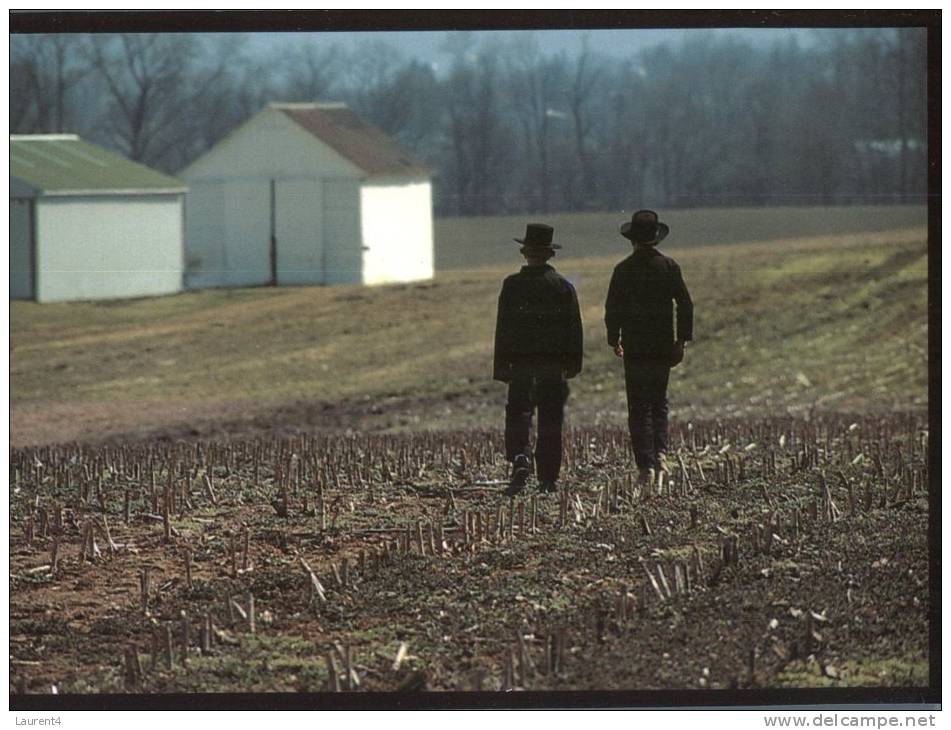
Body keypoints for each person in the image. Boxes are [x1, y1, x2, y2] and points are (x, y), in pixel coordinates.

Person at [604, 210, 693, 487]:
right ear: (655, 238)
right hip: (662, 345)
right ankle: (662, 456)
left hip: (635, 347)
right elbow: (686, 304)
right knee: (659, 403)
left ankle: (645, 465)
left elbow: (612, 308)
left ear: (632, 239)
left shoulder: (622, 270)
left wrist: (614, 337)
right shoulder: (668, 266)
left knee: (638, 406)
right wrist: (681, 340)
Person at [494, 223, 584, 496]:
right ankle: (547, 477)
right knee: (550, 418)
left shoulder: (511, 285)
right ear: (549, 254)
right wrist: (572, 364)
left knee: (519, 412)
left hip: (520, 362)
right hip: (552, 365)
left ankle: (520, 458)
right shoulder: (562, 287)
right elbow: (574, 329)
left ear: (525, 252)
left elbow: (503, 328)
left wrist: (501, 366)